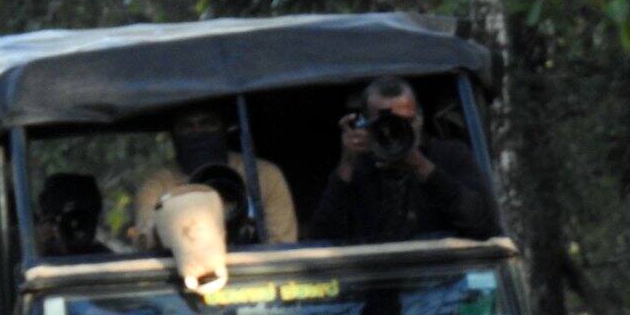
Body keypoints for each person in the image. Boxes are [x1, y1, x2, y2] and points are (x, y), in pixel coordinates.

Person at [308, 76, 495, 244]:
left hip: (440, 275)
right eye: (384, 124)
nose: (393, 132)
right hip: (371, 277)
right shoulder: (357, 167)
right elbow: (321, 240)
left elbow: (483, 225)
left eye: (405, 123)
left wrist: (423, 168)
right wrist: (347, 165)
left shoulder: (448, 156)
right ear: (364, 125)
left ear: (419, 119)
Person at [134, 107, 297, 245]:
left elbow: (283, 244)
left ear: (224, 128)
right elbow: (146, 234)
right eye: (187, 126)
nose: (198, 133)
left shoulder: (263, 175)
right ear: (174, 134)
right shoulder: (158, 185)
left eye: (208, 124)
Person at [38, 173, 110, 257]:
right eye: (52, 220)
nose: (73, 227)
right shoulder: (37, 265)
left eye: (82, 221)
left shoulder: (112, 263)